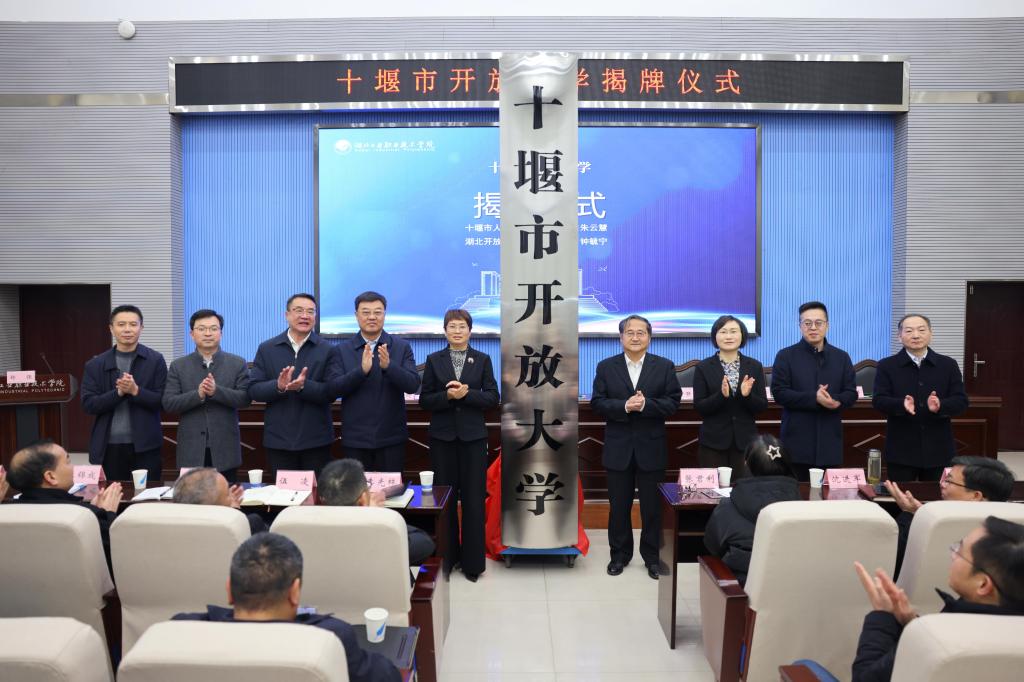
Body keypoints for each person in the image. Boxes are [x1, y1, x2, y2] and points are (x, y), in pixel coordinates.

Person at [172, 532, 400, 682]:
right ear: (295, 592)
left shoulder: (182, 632)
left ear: (229, 590)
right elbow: (388, 676)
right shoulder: (330, 639)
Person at [850, 516, 1024, 682]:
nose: (953, 553)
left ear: (983, 584)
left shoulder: (943, 639)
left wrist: (882, 616)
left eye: (960, 551)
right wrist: (911, 622)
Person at [592, 314, 682, 580]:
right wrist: (624, 406)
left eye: (641, 332)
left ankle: (653, 558)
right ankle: (619, 556)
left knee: (652, 509)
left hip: (651, 448)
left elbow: (673, 403)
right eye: (629, 332)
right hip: (618, 448)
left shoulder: (664, 366)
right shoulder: (606, 367)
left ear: (649, 337)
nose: (635, 337)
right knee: (619, 507)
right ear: (621, 337)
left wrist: (645, 405)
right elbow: (598, 403)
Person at [418, 309, 499, 582]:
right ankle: (448, 558)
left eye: (462, 326)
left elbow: (492, 397)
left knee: (474, 501)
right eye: (452, 326)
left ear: (470, 331)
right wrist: (448, 397)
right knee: (445, 500)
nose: (457, 331)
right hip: (442, 440)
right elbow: (425, 400)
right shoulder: (434, 360)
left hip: (473, 439)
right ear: (444, 331)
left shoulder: (483, 359)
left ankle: (473, 564)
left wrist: (467, 394)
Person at [249, 293, 340, 477]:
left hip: (316, 441)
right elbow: (254, 389)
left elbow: (332, 392)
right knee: (282, 493)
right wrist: (278, 386)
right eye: (299, 310)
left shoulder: (327, 350)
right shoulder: (267, 348)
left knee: (316, 493)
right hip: (279, 441)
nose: (305, 316)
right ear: (287, 315)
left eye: (310, 311)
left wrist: (303, 387)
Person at [872, 314, 969, 482]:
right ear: (899, 336)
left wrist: (941, 405)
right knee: (901, 495)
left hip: (939, 449)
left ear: (930, 333)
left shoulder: (948, 365)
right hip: (901, 449)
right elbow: (879, 400)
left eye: (921, 330)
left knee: (937, 496)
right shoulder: (887, 365)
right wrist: (901, 405)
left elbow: (961, 401)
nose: (916, 335)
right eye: (909, 331)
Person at [884, 455, 1015, 577]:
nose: (942, 484)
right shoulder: (1011, 532)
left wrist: (909, 514)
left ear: (976, 496)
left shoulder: (933, 527)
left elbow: (890, 560)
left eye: (949, 481)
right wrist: (921, 513)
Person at [334, 291, 420, 473]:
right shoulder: (342, 350)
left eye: (377, 312)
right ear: (356, 315)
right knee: (356, 490)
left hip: (391, 438)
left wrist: (389, 367)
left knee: (391, 490)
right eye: (366, 312)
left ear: (384, 314)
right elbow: (334, 389)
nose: (372, 317)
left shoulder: (401, 347)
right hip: (355, 439)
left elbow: (413, 384)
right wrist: (361, 372)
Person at [771, 301, 857, 481]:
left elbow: (851, 393)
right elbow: (779, 392)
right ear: (800, 326)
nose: (813, 328)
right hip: (796, 443)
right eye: (807, 323)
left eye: (819, 323)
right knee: (796, 493)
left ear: (827, 325)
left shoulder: (841, 357)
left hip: (830, 442)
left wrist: (836, 400)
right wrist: (814, 398)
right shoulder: (785, 356)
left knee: (828, 495)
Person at [81, 304, 167, 482]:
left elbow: (163, 401)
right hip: (108, 447)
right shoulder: (95, 364)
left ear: (141, 327)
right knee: (113, 493)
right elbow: (89, 404)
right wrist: (118, 393)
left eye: (133, 324)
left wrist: (136, 391)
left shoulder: (155, 360)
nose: (127, 329)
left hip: (146, 446)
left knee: (148, 493)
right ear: (111, 328)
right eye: (121, 324)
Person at [163, 309, 251, 483]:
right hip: (191, 448)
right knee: (192, 498)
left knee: (225, 496)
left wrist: (216, 391)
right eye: (202, 329)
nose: (208, 333)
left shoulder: (237, 363)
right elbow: (169, 403)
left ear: (221, 333)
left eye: (213, 328)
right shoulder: (178, 366)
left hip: (225, 448)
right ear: (192, 334)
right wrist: (198, 394)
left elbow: (245, 399)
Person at [6, 440, 123, 571]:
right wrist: (107, 515)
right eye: (68, 462)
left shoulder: (6, 514)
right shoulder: (84, 516)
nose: (74, 467)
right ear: (51, 477)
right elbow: (115, 558)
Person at [703, 434, 801, 586]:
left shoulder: (729, 505)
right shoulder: (801, 505)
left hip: (740, 586)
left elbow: (712, 545)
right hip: (790, 582)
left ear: (746, 463)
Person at [317, 458, 436, 566]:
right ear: (363, 499)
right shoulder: (383, 536)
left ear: (322, 499)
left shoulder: (316, 538)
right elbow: (425, 544)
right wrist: (376, 516)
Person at [693, 315, 768, 478]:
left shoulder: (754, 366)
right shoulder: (703, 367)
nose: (728, 336)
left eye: (733, 331)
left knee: (745, 489)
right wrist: (721, 395)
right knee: (714, 491)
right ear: (715, 336)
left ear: (742, 335)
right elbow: (699, 407)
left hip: (746, 443)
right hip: (713, 443)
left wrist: (746, 396)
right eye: (723, 332)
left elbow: (762, 406)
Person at [172, 467, 268, 535]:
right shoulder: (250, 524)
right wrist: (235, 511)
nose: (232, 496)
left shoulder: (173, 528)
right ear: (214, 509)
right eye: (227, 494)